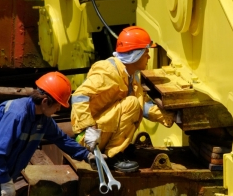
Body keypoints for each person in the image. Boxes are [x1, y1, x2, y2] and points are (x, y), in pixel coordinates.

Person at [71, 26, 174, 172]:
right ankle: (112, 156)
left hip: (99, 134)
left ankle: (117, 148)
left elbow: (143, 106)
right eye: (146, 53)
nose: (149, 57)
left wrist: (172, 116)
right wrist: (89, 128)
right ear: (136, 55)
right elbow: (79, 96)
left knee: (134, 102)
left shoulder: (129, 75)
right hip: (89, 139)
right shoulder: (108, 72)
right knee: (131, 103)